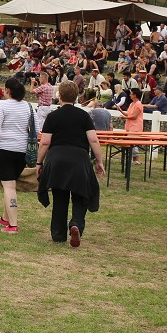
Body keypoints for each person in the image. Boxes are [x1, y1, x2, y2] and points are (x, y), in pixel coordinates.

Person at [35, 81, 105, 247]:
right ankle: (76, 225)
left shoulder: (53, 116)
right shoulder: (84, 116)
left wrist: (39, 162)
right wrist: (99, 161)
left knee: (60, 198)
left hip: (57, 159)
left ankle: (58, 235)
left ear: (59, 96)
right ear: (76, 97)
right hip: (79, 160)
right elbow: (93, 139)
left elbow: (45, 142)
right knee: (81, 196)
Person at [0, 78, 32, 234]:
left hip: (4, 148)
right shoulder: (28, 107)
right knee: (10, 183)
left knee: (8, 186)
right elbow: (36, 128)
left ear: (7, 90)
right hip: (21, 150)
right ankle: (5, 218)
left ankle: (13, 225)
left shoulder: (3, 105)